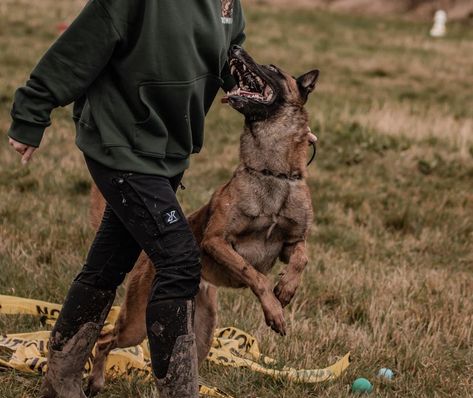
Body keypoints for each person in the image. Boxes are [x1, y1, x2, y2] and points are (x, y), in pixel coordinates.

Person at [6, 0, 245, 397]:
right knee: (181, 260)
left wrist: (284, 120)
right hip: (119, 142)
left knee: (108, 263)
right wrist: (32, 109)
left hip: (167, 151)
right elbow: (78, 47)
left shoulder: (229, 6)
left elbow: (235, 65)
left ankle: (60, 381)